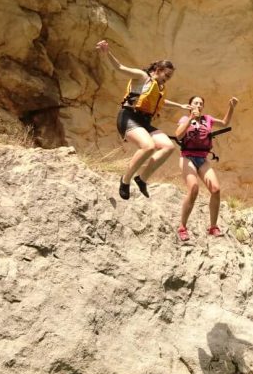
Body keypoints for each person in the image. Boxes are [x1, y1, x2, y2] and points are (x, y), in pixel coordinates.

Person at [96, 39, 187, 200]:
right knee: (148, 147)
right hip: (129, 117)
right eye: (166, 75)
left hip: (144, 122)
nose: (168, 79)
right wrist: (107, 53)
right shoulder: (142, 76)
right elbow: (120, 67)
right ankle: (125, 180)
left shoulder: (159, 87)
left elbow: (162, 102)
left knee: (168, 147)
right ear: (158, 69)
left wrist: (181, 106)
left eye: (170, 77)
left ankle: (142, 178)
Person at [175, 95, 238, 240]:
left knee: (216, 190)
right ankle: (182, 227)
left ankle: (213, 227)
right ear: (190, 105)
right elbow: (178, 135)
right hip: (187, 157)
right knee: (194, 188)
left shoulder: (207, 119)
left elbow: (224, 122)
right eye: (195, 103)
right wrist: (191, 118)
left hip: (202, 158)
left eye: (201, 103)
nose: (198, 105)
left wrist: (231, 107)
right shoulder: (185, 120)